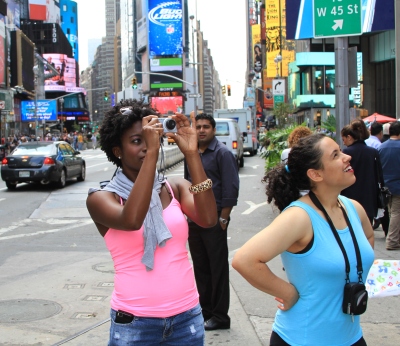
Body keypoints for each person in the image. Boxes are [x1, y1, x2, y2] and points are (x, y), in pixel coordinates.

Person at [86, 100, 217, 345]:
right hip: (134, 323)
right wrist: (153, 153)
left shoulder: (174, 187)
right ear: (118, 151)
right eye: (137, 141)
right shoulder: (101, 198)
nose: (147, 146)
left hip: (186, 316)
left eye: (150, 138)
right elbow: (133, 219)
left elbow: (209, 219)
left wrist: (192, 154)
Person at [232, 133, 374, 346]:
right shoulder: (299, 217)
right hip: (303, 338)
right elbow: (244, 260)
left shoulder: (353, 208)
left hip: (352, 337)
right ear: (315, 174)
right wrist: (287, 293)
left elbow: (368, 236)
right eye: (335, 155)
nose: (347, 157)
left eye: (341, 151)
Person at [184, 113, 239, 331]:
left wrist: (224, 217)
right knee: (200, 268)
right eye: (198, 127)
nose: (201, 130)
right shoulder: (192, 154)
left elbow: (231, 188)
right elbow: (188, 185)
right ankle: (204, 312)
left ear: (213, 130)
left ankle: (220, 316)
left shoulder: (223, 154)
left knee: (217, 269)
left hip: (215, 218)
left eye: (206, 127)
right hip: (194, 218)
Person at [340, 119, 381, 225]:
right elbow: (379, 176)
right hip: (369, 197)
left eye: (344, 139)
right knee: (367, 230)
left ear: (349, 137)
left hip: (350, 197)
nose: (343, 142)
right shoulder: (373, 152)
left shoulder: (346, 153)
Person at [378, 122, 400, 250]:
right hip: (398, 185)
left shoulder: (381, 147)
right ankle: (392, 240)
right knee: (396, 213)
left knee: (392, 212)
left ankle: (394, 238)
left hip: (385, 186)